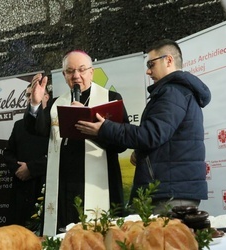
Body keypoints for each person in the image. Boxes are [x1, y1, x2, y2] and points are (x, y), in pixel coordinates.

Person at [76, 39, 211, 214]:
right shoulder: (178, 92)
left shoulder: (172, 92)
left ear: (168, 60)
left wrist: (104, 128)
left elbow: (151, 135)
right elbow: (164, 137)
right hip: (171, 189)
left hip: (168, 193)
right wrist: (141, 154)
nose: (148, 71)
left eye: (151, 64)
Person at [25, 50, 129, 235]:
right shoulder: (57, 103)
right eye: (70, 71)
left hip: (100, 181)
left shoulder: (111, 98)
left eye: (82, 70)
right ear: (64, 75)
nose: (76, 76)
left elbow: (121, 143)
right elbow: (36, 130)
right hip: (65, 183)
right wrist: (35, 103)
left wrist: (93, 127)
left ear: (92, 72)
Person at [3, 83, 51, 231]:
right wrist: (19, 169)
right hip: (20, 187)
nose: (31, 98)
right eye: (28, 95)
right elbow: (8, 152)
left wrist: (30, 168)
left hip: (43, 186)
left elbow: (58, 154)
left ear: (46, 97)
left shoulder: (54, 123)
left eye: (34, 94)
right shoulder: (19, 125)